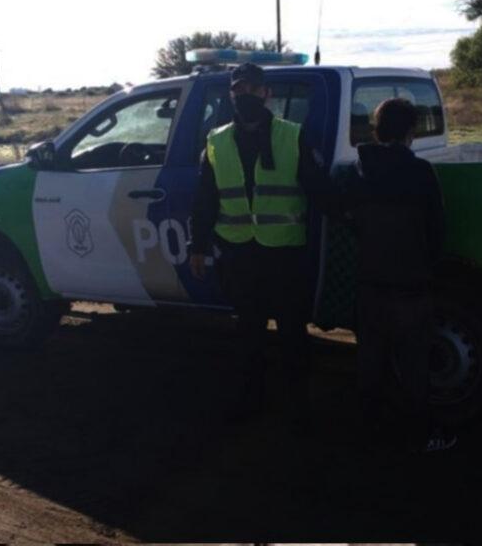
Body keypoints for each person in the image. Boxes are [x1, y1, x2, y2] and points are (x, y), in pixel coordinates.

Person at [187, 63, 333, 434]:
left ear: (266, 93)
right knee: (249, 334)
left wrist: (353, 214)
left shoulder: (292, 136)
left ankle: (298, 407)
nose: (246, 94)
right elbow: (205, 199)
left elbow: (318, 190)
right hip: (239, 255)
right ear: (231, 94)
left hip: (283, 254)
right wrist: (198, 246)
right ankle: (250, 401)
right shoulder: (215, 141)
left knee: (291, 335)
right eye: (239, 89)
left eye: (253, 88)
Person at [344, 97, 455, 453]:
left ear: (376, 131)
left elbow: (347, 219)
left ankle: (368, 433)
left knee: (371, 361)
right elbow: (437, 230)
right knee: (414, 365)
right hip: (411, 284)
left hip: (370, 282)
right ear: (411, 133)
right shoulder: (421, 173)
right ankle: (424, 435)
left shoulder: (358, 170)